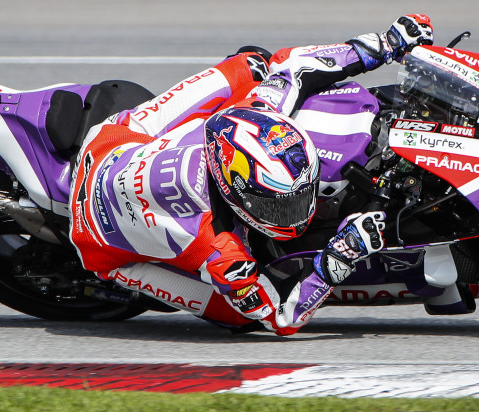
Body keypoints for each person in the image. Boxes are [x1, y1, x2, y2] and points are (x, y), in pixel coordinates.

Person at [69, 15, 434, 335]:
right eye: (279, 206)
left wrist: (385, 44)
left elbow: (298, 66)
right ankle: (114, 270)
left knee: (255, 64)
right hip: (99, 242)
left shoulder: (259, 107)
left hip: (113, 142)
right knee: (242, 318)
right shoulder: (222, 253)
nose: (300, 212)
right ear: (236, 194)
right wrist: (336, 260)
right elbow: (282, 318)